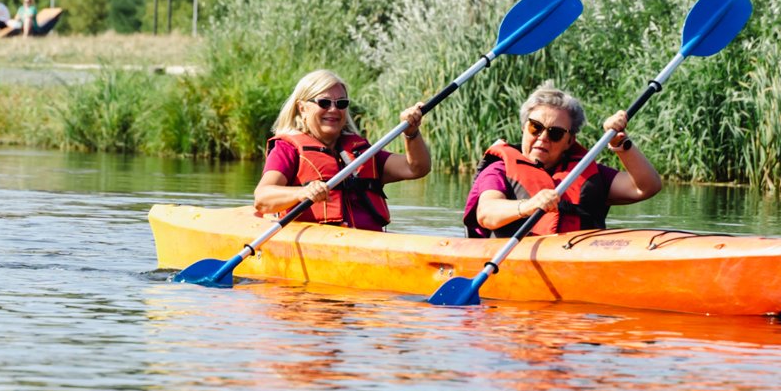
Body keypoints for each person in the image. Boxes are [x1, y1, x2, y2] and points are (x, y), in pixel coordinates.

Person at [464, 83, 663, 238]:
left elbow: (647, 187)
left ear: (569, 141)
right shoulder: (499, 170)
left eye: (555, 133)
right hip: (516, 258)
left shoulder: (586, 172)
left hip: (579, 258)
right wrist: (528, 205)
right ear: (524, 128)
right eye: (535, 127)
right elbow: (486, 213)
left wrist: (620, 144)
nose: (543, 137)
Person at [253, 69, 430, 232]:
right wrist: (303, 192)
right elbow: (262, 198)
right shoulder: (287, 149)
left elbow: (416, 168)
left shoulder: (362, 153)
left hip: (369, 242)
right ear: (302, 108)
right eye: (324, 103)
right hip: (321, 244)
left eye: (341, 103)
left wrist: (411, 133)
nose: (333, 110)